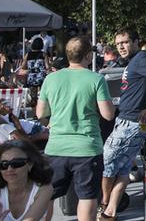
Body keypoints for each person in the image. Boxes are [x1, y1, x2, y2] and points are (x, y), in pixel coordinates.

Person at [36, 36, 115, 221]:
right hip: (87, 148)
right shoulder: (96, 79)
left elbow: (40, 113)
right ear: (88, 56)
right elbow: (108, 114)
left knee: (47, 194)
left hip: (56, 147)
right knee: (86, 197)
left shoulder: (51, 78)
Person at [100, 29, 146, 221]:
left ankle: (104, 203)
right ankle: (110, 213)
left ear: (135, 42)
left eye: (125, 42)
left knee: (106, 165)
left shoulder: (140, 59)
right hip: (130, 122)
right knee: (123, 169)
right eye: (118, 44)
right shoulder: (134, 61)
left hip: (130, 124)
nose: (121, 47)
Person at [0, 140, 53, 221]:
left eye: (17, 163)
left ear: (30, 164)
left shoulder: (44, 189)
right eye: (4, 164)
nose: (10, 169)